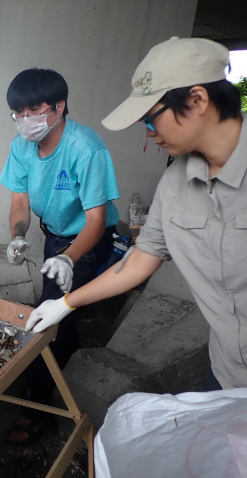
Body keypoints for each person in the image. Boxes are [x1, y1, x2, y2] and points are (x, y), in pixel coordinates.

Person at [26, 37, 246, 393]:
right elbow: (141, 260)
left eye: (151, 118)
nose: (149, 134)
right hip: (227, 372)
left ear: (198, 100)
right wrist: (65, 303)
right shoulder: (176, 183)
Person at [0, 67, 121, 444]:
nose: (24, 121)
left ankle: (37, 409)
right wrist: (18, 236)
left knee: (47, 316)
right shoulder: (21, 147)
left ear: (58, 107)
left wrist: (69, 258)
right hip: (54, 234)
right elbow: (20, 204)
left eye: (32, 112)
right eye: (17, 113)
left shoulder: (86, 148)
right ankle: (68, 359)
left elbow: (96, 220)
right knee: (60, 309)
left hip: (88, 237)